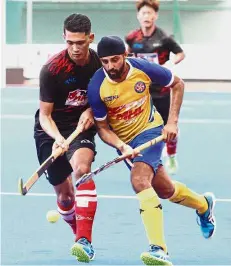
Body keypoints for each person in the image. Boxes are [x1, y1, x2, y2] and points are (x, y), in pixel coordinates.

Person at [87, 36, 216, 265]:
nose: (110, 67)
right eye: (105, 62)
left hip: (151, 131)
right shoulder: (97, 86)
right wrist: (121, 145)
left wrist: (172, 122)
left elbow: (178, 83)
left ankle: (159, 249)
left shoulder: (141, 69)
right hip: (126, 144)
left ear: (124, 55)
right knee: (166, 190)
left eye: (115, 60)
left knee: (139, 180)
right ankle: (203, 205)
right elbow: (103, 129)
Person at [34, 13, 102, 263]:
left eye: (80, 43)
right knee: (64, 197)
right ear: (64, 38)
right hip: (50, 129)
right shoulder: (52, 70)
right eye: (70, 42)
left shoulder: (99, 64)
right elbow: (44, 116)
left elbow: (108, 97)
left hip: (81, 126)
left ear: (90, 38)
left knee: (82, 168)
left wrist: (92, 110)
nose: (75, 48)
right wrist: (57, 138)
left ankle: (84, 241)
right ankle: (77, 231)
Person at [125, 0, 185, 174]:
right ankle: (144, 159)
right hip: (140, 91)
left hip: (162, 91)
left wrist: (169, 64)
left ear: (155, 16)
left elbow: (180, 53)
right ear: (138, 16)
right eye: (143, 13)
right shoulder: (132, 37)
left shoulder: (164, 38)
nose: (146, 16)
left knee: (168, 127)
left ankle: (172, 155)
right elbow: (127, 54)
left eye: (150, 13)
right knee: (140, 126)